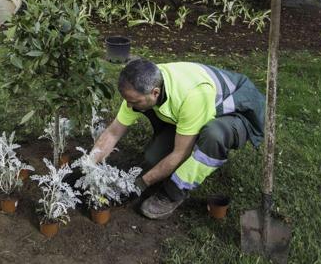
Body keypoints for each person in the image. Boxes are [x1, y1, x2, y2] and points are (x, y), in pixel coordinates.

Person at [90, 58, 265, 219]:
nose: (129, 105)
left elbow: (180, 153)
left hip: (236, 110)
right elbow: (113, 133)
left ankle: (174, 192)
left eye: (134, 102)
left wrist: (140, 184)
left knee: (213, 135)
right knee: (152, 158)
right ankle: (188, 136)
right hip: (192, 112)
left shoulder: (192, 96)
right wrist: (88, 164)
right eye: (128, 100)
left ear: (155, 93)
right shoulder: (140, 87)